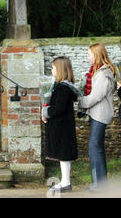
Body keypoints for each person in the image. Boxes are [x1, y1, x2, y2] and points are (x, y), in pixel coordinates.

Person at [79, 43, 117, 192]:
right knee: (96, 147)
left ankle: (99, 185)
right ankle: (100, 184)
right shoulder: (98, 71)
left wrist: (81, 101)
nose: (88, 57)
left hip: (100, 115)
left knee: (94, 147)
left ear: (97, 55)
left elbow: (96, 96)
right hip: (97, 113)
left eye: (89, 54)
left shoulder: (102, 73)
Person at [41, 57, 81, 193]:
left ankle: (66, 183)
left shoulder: (63, 88)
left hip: (62, 127)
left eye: (53, 68)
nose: (51, 70)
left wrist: (46, 112)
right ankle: (65, 181)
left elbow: (59, 108)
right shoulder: (62, 86)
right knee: (62, 156)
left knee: (64, 155)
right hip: (62, 126)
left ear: (61, 70)